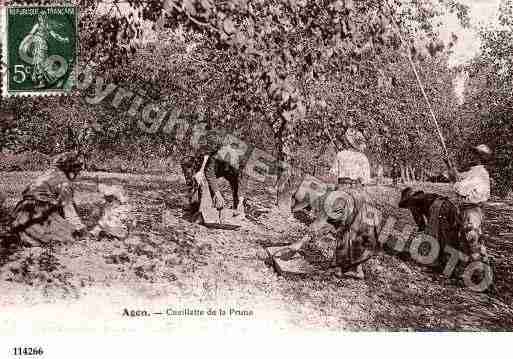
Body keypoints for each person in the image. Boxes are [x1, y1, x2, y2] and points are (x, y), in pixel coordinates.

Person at [10, 151, 89, 247]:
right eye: (78, 169)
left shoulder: (50, 173)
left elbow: (26, 192)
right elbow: (69, 211)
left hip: (21, 212)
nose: (79, 172)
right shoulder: (65, 183)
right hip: (38, 212)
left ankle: (22, 234)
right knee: (70, 235)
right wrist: (82, 229)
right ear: (71, 168)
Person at [447, 144, 492, 263]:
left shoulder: (478, 173)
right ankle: (477, 271)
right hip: (470, 210)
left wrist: (454, 181)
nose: (471, 156)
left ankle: (480, 273)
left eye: (474, 154)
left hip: (471, 211)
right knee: (470, 241)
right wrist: (450, 167)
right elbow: (460, 178)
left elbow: (460, 189)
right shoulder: (475, 171)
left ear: (479, 157)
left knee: (472, 242)